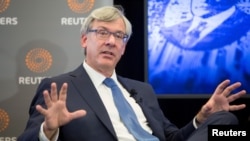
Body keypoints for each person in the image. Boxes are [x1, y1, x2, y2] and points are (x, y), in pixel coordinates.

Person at [17, 5, 246, 141]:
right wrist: (48, 130)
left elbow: (172, 138)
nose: (110, 41)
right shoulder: (59, 88)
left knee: (225, 121)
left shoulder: (143, 90)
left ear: (124, 47)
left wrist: (201, 119)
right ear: (85, 39)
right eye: (102, 32)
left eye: (119, 36)